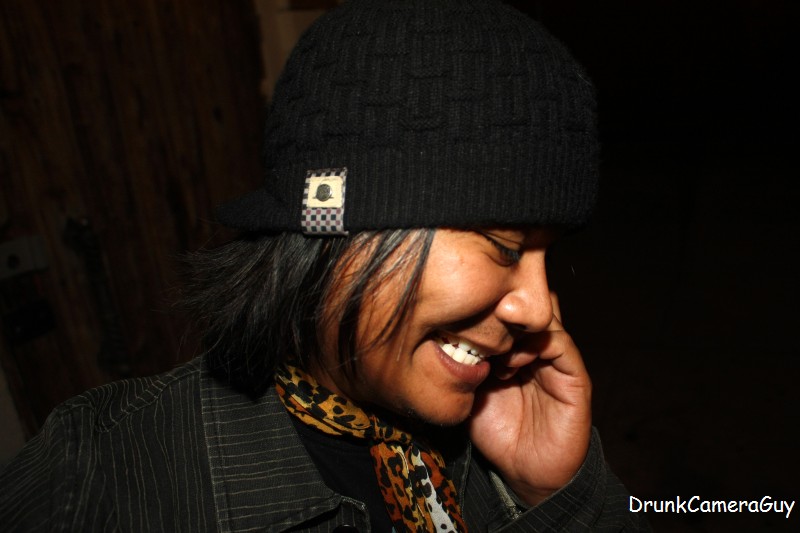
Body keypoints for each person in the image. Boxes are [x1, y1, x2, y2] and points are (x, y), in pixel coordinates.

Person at [0, 0, 650, 531]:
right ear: (339, 225)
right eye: (505, 245)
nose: (539, 307)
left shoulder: (494, 442)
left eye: (548, 255)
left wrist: (560, 499)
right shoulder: (97, 487)